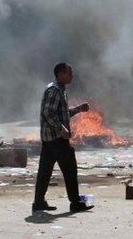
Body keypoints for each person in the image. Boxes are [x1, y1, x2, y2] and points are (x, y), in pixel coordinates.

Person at [33, 62, 94, 213]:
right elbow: (49, 114)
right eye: (69, 73)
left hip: (49, 139)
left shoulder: (60, 90)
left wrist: (79, 109)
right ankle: (75, 203)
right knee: (70, 169)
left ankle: (39, 203)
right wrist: (61, 129)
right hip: (56, 139)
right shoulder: (54, 90)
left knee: (45, 171)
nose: (72, 76)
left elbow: (62, 113)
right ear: (60, 73)